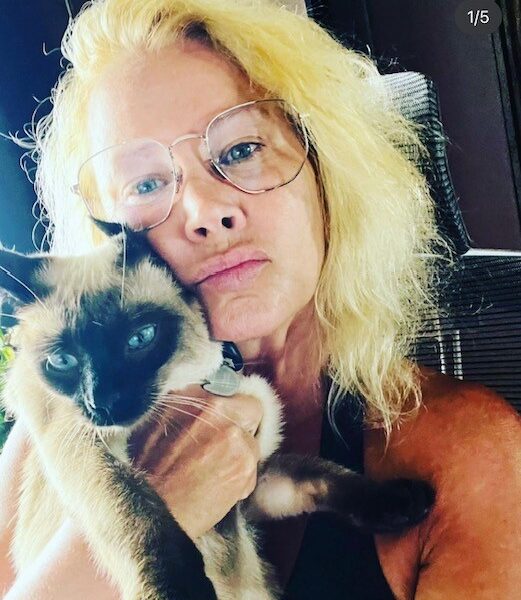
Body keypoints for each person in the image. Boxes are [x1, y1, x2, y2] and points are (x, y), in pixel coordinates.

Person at [1, 0, 521, 598]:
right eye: (146, 183)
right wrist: (156, 515)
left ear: (326, 165)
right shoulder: (54, 425)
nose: (205, 212)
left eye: (242, 149)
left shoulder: (467, 456)